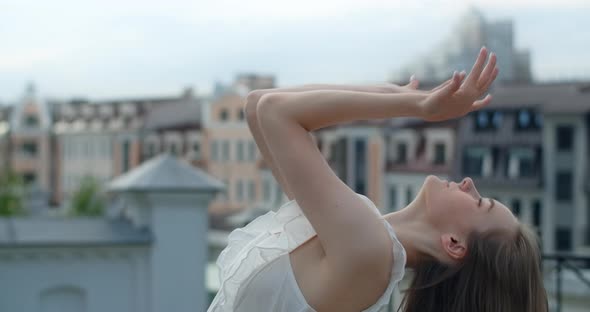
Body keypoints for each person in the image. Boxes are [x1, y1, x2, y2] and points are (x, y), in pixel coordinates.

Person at [208, 47, 548, 312]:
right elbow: (257, 107)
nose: (469, 182)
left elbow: (275, 112)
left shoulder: (369, 251)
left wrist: (419, 108)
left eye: (479, 201)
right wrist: (396, 93)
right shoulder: (364, 237)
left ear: (454, 243)